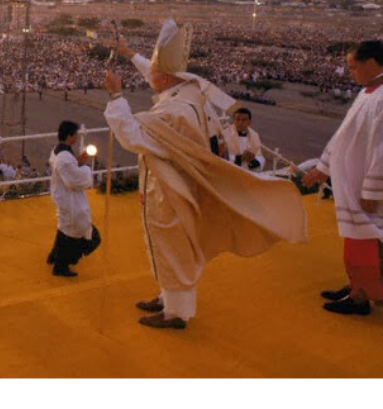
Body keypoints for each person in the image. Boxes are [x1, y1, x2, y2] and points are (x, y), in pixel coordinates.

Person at [103, 19, 306, 330]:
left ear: (167, 77)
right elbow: (157, 76)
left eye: (155, 73)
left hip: (171, 188)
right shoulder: (187, 92)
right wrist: (130, 54)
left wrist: (117, 98)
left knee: (173, 244)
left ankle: (176, 313)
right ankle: (168, 297)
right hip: (174, 183)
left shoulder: (175, 111)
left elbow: (132, 137)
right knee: (168, 244)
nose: (150, 77)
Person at [303, 40, 383, 316]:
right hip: (354, 185)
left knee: (366, 248)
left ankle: (362, 295)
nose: (351, 73)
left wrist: (374, 192)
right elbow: (344, 135)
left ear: (372, 62)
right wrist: (323, 168)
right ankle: (355, 288)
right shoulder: (368, 93)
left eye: (353, 67)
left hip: (369, 191)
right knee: (354, 242)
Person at [45, 120, 101, 277]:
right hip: (70, 199)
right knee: (77, 232)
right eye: (75, 135)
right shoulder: (64, 157)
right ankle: (61, 265)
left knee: (65, 229)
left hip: (63, 196)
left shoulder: (58, 151)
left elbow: (69, 170)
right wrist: (85, 168)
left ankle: (55, 256)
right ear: (70, 136)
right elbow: (74, 180)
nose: (77, 138)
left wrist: (78, 162)